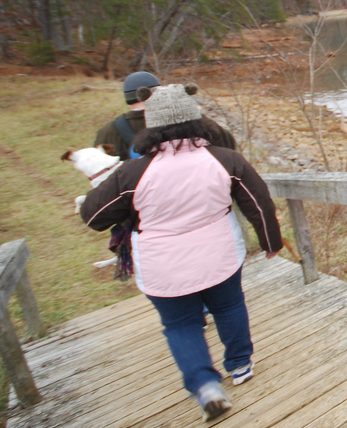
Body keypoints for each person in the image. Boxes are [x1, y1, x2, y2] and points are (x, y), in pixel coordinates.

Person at [81, 83, 283, 422]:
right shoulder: (226, 159)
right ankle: (241, 364)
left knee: (180, 324)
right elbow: (259, 204)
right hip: (218, 254)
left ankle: (205, 385)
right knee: (229, 305)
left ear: (150, 128)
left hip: (163, 264)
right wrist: (271, 243)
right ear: (199, 121)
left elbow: (95, 216)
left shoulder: (132, 173)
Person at [94, 71, 237, 160]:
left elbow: (98, 167)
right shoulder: (188, 120)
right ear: (159, 91)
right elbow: (228, 145)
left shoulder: (107, 131)